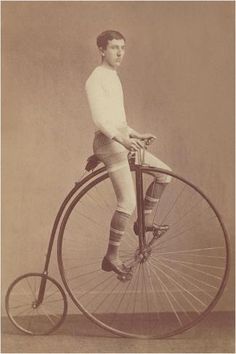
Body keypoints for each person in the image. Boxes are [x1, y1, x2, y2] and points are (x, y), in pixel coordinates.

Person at [85, 30, 172, 276]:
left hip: (121, 140)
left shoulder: (113, 76)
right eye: (114, 47)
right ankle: (111, 256)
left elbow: (118, 120)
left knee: (164, 174)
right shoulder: (96, 79)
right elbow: (101, 121)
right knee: (127, 202)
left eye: (122, 47)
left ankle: (143, 223)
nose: (120, 52)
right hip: (109, 144)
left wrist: (135, 134)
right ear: (101, 50)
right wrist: (123, 139)